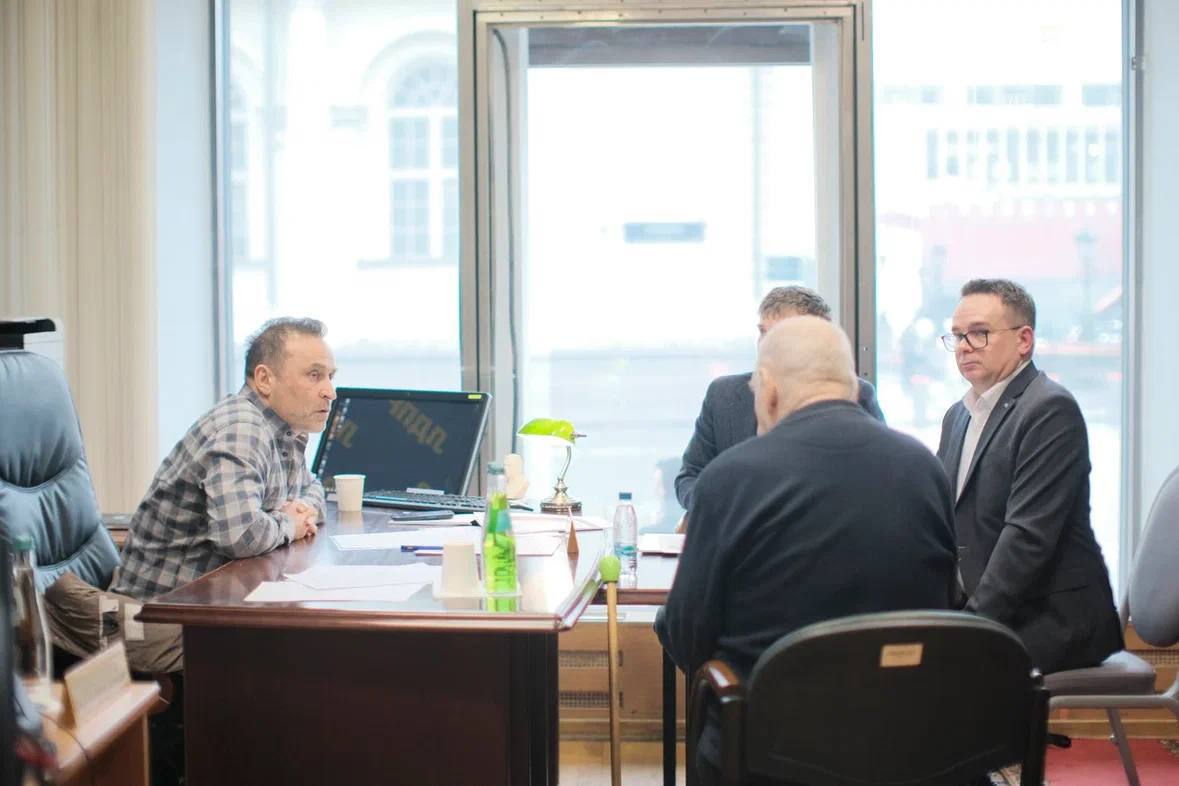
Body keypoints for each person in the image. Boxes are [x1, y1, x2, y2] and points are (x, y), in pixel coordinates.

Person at [656, 316, 957, 782]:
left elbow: (686, 634)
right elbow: (946, 601)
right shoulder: (924, 468)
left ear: (770, 389)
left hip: (769, 749)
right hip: (904, 742)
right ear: (851, 387)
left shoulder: (730, 477)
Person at [111, 317, 336, 648]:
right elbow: (241, 536)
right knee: (318, 650)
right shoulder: (242, 429)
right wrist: (290, 523)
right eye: (314, 375)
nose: (330, 392)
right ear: (264, 379)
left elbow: (313, 487)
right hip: (157, 622)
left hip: (209, 610)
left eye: (330, 377)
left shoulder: (283, 429)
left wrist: (301, 510)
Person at [936, 279, 1121, 673]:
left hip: (1051, 618)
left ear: (1024, 340)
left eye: (979, 333)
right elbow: (943, 522)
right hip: (996, 611)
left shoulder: (1049, 410)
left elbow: (1027, 538)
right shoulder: (958, 416)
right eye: (957, 336)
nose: (964, 346)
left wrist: (971, 628)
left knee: (937, 677)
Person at [674, 286, 885, 515]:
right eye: (763, 332)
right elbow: (690, 475)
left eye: (779, 336)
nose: (765, 345)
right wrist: (715, 510)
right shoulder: (724, 395)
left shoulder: (855, 395)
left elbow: (876, 481)